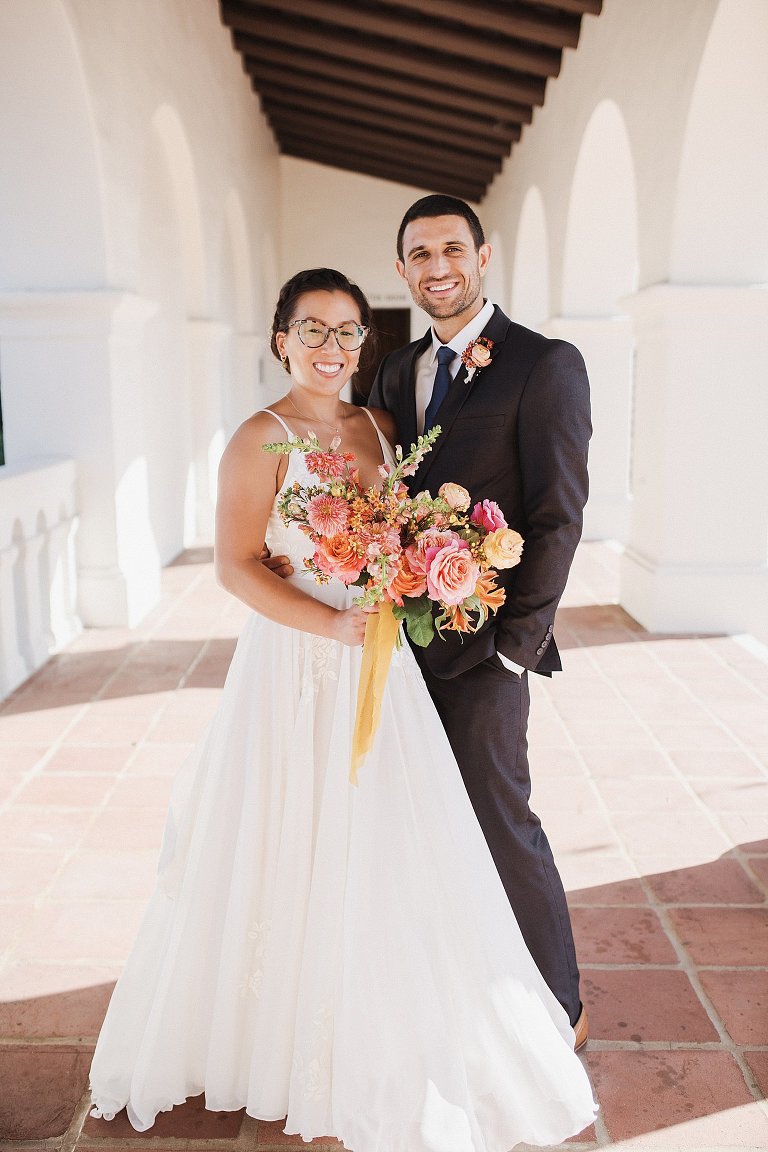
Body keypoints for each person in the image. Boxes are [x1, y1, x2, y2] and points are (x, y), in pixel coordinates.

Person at [88, 267, 596, 1148]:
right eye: (312, 330)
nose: (331, 347)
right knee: (288, 831)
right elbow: (237, 564)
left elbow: (405, 532)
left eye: (348, 331)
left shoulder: (383, 427)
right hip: (297, 665)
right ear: (280, 338)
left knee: (390, 834)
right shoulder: (259, 437)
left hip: (380, 666)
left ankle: (387, 1011)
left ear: (368, 343)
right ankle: (278, 1031)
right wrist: (329, 621)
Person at [369, 195, 591, 1045]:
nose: (437, 268)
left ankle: (557, 1005)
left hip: (488, 646)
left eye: (452, 249)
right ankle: (451, 979)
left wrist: (514, 650)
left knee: (502, 815)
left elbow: (558, 516)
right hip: (402, 641)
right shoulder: (396, 371)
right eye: (419, 254)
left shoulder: (546, 364)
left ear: (483, 255)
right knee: (417, 813)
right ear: (401, 269)